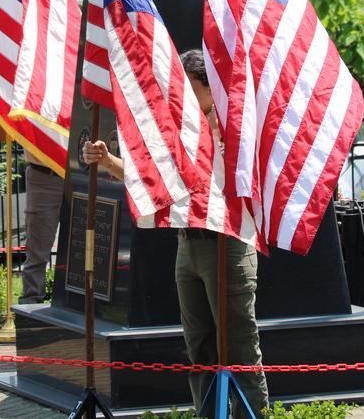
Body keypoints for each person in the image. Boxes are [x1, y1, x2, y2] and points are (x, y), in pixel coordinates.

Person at [81, 49, 269, 417]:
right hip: (189, 246)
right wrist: (106, 160)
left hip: (226, 246)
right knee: (199, 347)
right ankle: (207, 413)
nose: (176, 92)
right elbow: (148, 178)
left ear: (205, 84)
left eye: (186, 84)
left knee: (240, 348)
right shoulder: (180, 129)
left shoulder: (231, 126)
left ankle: (254, 415)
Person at [0, 122, 64, 305]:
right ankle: (30, 306)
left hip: (83, 172)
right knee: (37, 249)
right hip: (43, 174)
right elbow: (1, 134)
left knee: (84, 247)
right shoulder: (29, 94)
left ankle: (81, 304)